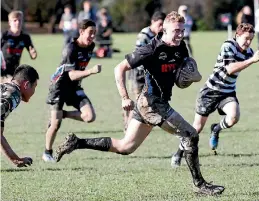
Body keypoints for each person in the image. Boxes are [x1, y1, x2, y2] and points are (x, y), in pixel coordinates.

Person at [54, 11, 225, 196]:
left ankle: (76, 142)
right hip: (152, 104)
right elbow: (119, 69)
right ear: (164, 29)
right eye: (176, 30)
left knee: (125, 147)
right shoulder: (151, 49)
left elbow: (185, 75)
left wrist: (193, 76)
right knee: (191, 135)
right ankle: (200, 185)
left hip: (154, 103)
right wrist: (124, 97)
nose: (180, 34)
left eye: (182, 30)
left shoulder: (181, 47)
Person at [171, 23, 259, 167]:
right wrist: (251, 60)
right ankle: (178, 153)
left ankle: (216, 129)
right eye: (246, 38)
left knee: (234, 116)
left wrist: (251, 58)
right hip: (210, 91)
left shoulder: (248, 52)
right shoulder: (228, 46)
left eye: (251, 40)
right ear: (237, 35)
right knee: (196, 128)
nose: (248, 43)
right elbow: (230, 68)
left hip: (227, 92)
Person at [42, 19, 102, 162]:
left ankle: (63, 114)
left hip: (74, 87)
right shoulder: (70, 49)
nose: (93, 36)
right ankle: (47, 152)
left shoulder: (90, 46)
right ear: (81, 32)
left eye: (95, 33)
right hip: (59, 87)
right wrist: (91, 71)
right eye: (90, 33)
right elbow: (71, 74)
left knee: (89, 116)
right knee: (55, 125)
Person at [124, 11, 166, 132]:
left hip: (149, 75)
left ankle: (133, 127)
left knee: (145, 102)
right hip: (137, 74)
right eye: (160, 24)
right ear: (152, 22)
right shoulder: (144, 35)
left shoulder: (160, 35)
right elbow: (138, 57)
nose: (161, 27)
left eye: (163, 24)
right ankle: (128, 129)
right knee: (137, 103)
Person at [1, 64, 39, 167]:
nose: (34, 92)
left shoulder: (6, 87)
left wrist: (16, 159)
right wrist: (16, 159)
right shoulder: (14, 95)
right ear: (26, 85)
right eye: (34, 87)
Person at [1, 11, 37, 82]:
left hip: (15, 72)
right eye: (15, 20)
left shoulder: (25, 37)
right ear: (9, 22)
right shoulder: (4, 36)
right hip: (2, 73)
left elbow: (33, 55)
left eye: (19, 20)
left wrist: (33, 54)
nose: (17, 22)